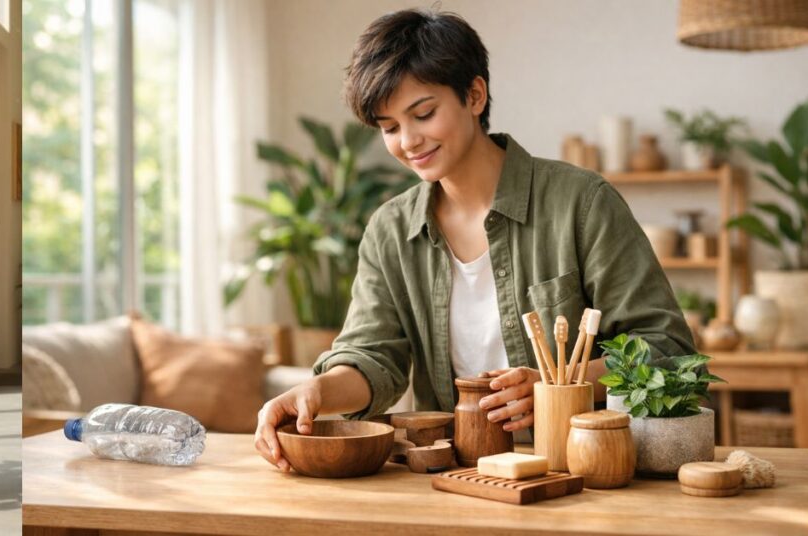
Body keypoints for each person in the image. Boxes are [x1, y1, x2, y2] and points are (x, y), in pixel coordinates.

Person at [254, 8, 694, 472]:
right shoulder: (390, 230)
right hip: (453, 474)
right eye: (389, 128)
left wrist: (559, 385)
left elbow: (666, 348)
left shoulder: (581, 203)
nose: (408, 141)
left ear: (475, 95)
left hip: (578, 471)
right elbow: (372, 357)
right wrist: (316, 391)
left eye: (423, 114)